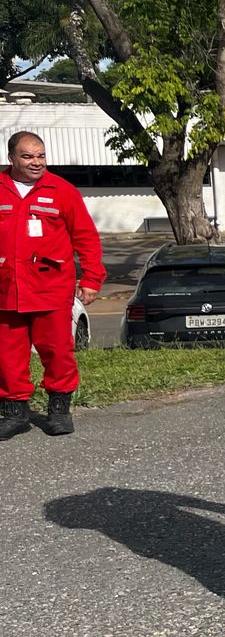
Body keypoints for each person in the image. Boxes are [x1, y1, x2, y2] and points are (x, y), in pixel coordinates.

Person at [0, 131, 105, 440]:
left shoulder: (61, 190)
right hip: (6, 290)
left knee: (57, 350)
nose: (36, 162)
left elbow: (86, 237)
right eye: (28, 156)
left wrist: (91, 279)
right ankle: (14, 412)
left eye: (41, 156)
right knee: (7, 354)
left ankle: (59, 410)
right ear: (12, 159)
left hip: (50, 289)